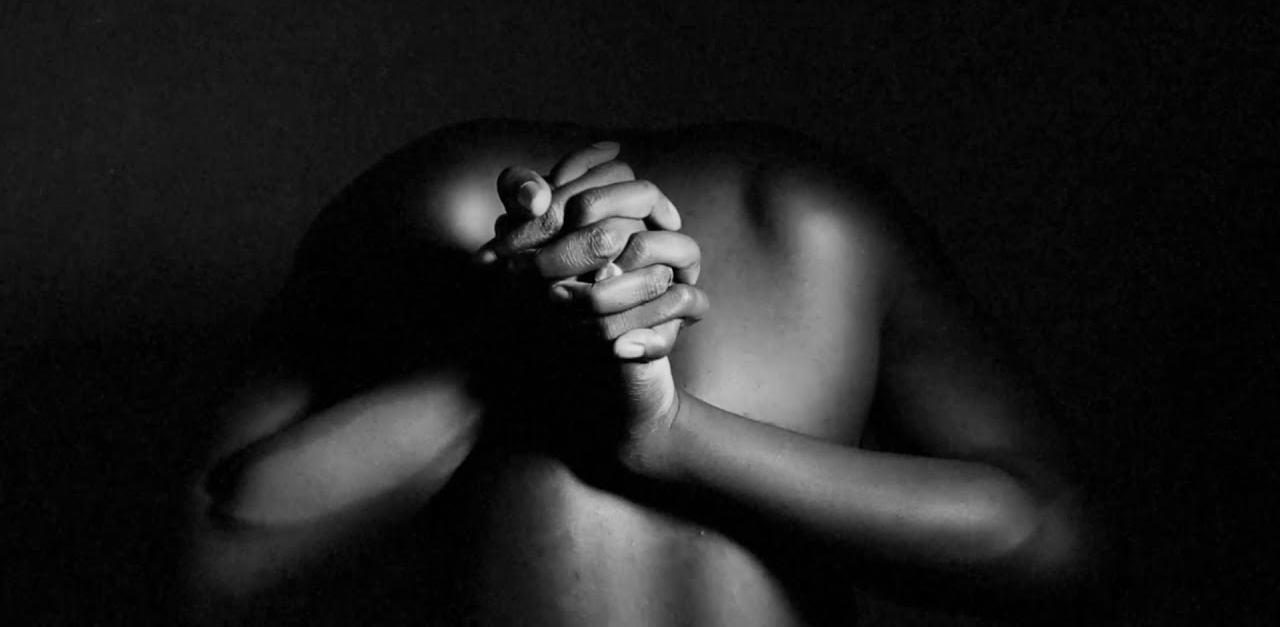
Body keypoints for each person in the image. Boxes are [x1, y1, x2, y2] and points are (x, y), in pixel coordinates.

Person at [181, 119, 1108, 625]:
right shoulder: (808, 213)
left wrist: (668, 435)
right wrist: (503, 354)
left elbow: (1061, 551)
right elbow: (211, 557)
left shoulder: (815, 216)